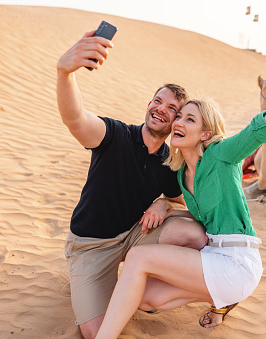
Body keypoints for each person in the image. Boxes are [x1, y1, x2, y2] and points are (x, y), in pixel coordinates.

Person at [95, 71, 266, 338]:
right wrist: (166, 205)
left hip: (236, 261)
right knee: (147, 298)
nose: (178, 123)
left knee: (138, 259)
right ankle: (223, 302)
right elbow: (201, 217)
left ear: (206, 134)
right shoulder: (182, 175)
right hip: (215, 257)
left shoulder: (221, 155)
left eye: (190, 120)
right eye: (178, 117)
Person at [56, 30, 208, 338]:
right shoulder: (113, 135)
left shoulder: (169, 162)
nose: (161, 110)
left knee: (195, 235)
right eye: (158, 101)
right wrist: (65, 74)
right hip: (90, 245)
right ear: (149, 104)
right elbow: (76, 120)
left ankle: (147, 293)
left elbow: (184, 200)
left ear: (177, 122)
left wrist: (162, 202)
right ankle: (89, 280)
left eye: (172, 110)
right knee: (95, 331)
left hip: (134, 236)